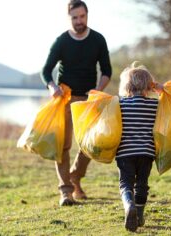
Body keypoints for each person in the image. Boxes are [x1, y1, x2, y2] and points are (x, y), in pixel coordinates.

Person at [41, 0, 112, 206]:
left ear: (87, 15)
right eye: (74, 17)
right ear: (69, 18)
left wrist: (98, 90)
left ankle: (75, 176)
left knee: (91, 145)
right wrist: (52, 87)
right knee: (63, 146)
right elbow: (45, 71)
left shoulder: (98, 40)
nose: (79, 21)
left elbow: (107, 71)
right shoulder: (61, 41)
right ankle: (66, 192)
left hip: (89, 100)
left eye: (82, 17)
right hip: (65, 98)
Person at [116, 62, 163, 232]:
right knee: (142, 184)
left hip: (125, 152)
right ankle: (140, 215)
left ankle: (129, 206)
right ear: (149, 85)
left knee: (126, 184)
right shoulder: (155, 105)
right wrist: (161, 90)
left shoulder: (119, 105)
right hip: (146, 152)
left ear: (126, 85)